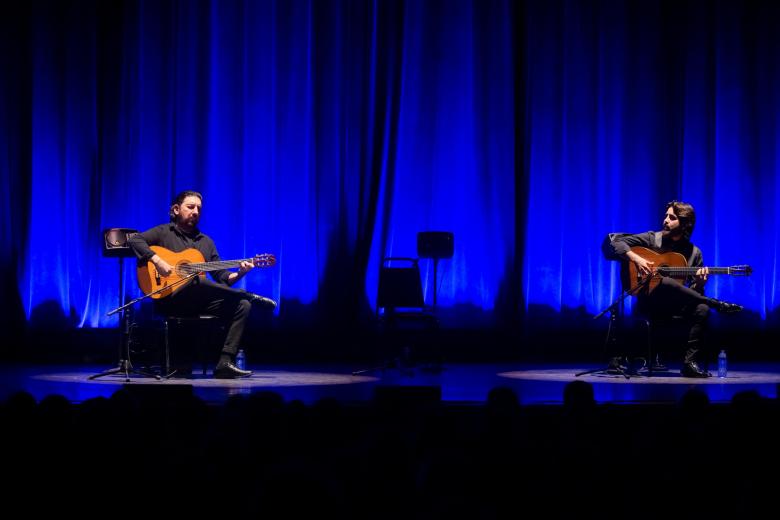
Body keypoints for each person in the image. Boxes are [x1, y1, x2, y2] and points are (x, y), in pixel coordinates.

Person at [129, 190, 275, 379]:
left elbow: (222, 278)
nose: (196, 211)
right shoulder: (163, 232)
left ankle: (225, 362)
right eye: (190, 207)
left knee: (242, 305)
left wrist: (241, 272)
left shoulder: (206, 242)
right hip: (169, 299)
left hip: (197, 301)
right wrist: (157, 261)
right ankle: (247, 294)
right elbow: (134, 239)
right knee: (196, 279)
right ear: (175, 209)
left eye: (198, 208)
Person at [608, 200, 742, 378]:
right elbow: (615, 242)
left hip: (676, 306)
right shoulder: (651, 239)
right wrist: (637, 259)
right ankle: (716, 303)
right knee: (664, 282)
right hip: (650, 303)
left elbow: (694, 293)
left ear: (685, 224)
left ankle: (689, 363)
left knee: (702, 308)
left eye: (672, 218)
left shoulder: (694, 253)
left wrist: (700, 284)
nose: (665, 220)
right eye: (666, 216)